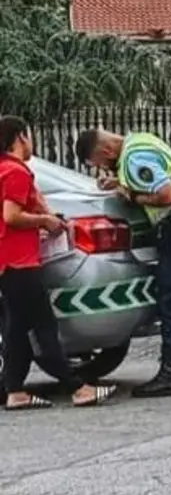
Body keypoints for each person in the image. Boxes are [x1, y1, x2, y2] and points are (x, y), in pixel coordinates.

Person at [74, 129, 171, 398]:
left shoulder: (133, 158)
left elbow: (167, 196)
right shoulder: (141, 140)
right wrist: (121, 186)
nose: (101, 168)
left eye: (98, 162)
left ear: (106, 151)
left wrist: (132, 197)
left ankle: (170, 374)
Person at [0, 116, 114, 409]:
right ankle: (78, 388)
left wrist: (43, 213)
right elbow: (11, 215)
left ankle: (14, 391)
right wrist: (45, 220)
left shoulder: (5, 171)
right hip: (21, 264)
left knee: (16, 330)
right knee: (44, 328)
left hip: (8, 264)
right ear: (20, 137)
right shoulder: (15, 172)